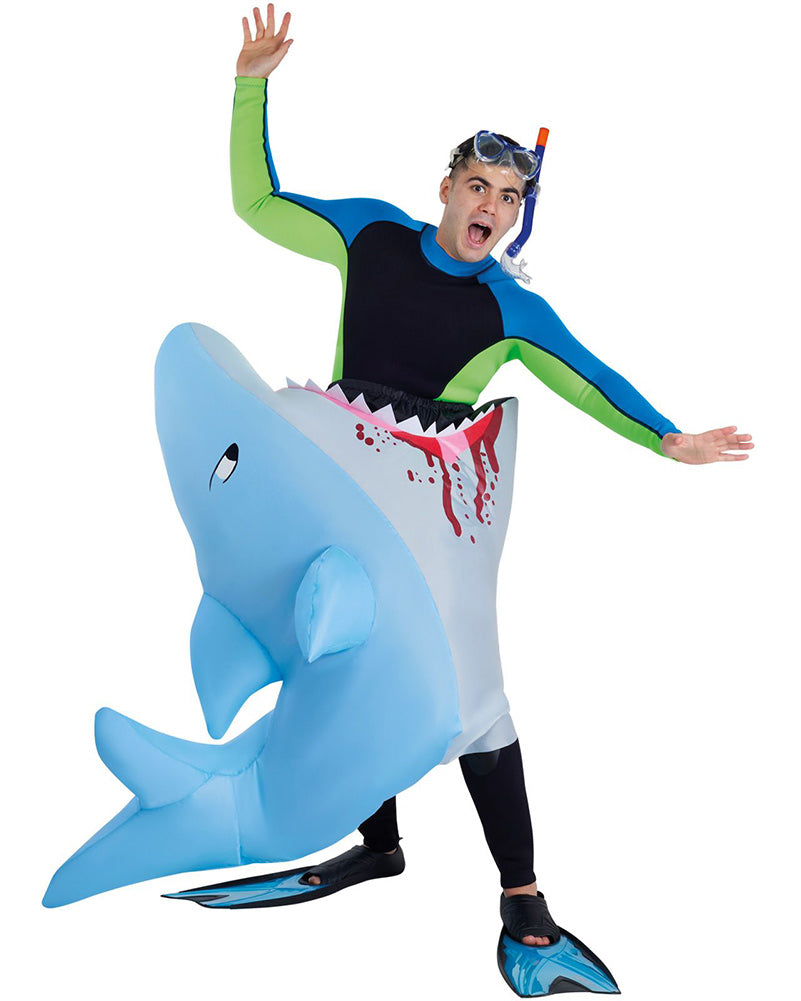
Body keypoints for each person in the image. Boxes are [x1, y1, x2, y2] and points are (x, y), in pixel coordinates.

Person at [229, 2, 753, 953]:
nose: (491, 207)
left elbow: (591, 379)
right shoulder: (371, 235)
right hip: (341, 494)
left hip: (431, 520)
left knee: (474, 698)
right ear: (446, 189)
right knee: (336, 655)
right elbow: (259, 203)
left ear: (517, 214)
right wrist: (249, 89)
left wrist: (666, 439)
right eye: (479, 185)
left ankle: (523, 896)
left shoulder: (511, 308)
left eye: (509, 197)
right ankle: (377, 844)